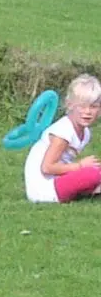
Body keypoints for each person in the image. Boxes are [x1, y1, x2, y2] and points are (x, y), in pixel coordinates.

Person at [24, 74, 101, 203]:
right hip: (44, 189)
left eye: (93, 106)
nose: (87, 112)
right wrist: (80, 166)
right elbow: (47, 167)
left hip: (56, 179)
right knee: (92, 174)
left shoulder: (86, 133)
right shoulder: (63, 132)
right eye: (82, 106)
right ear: (70, 105)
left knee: (94, 171)